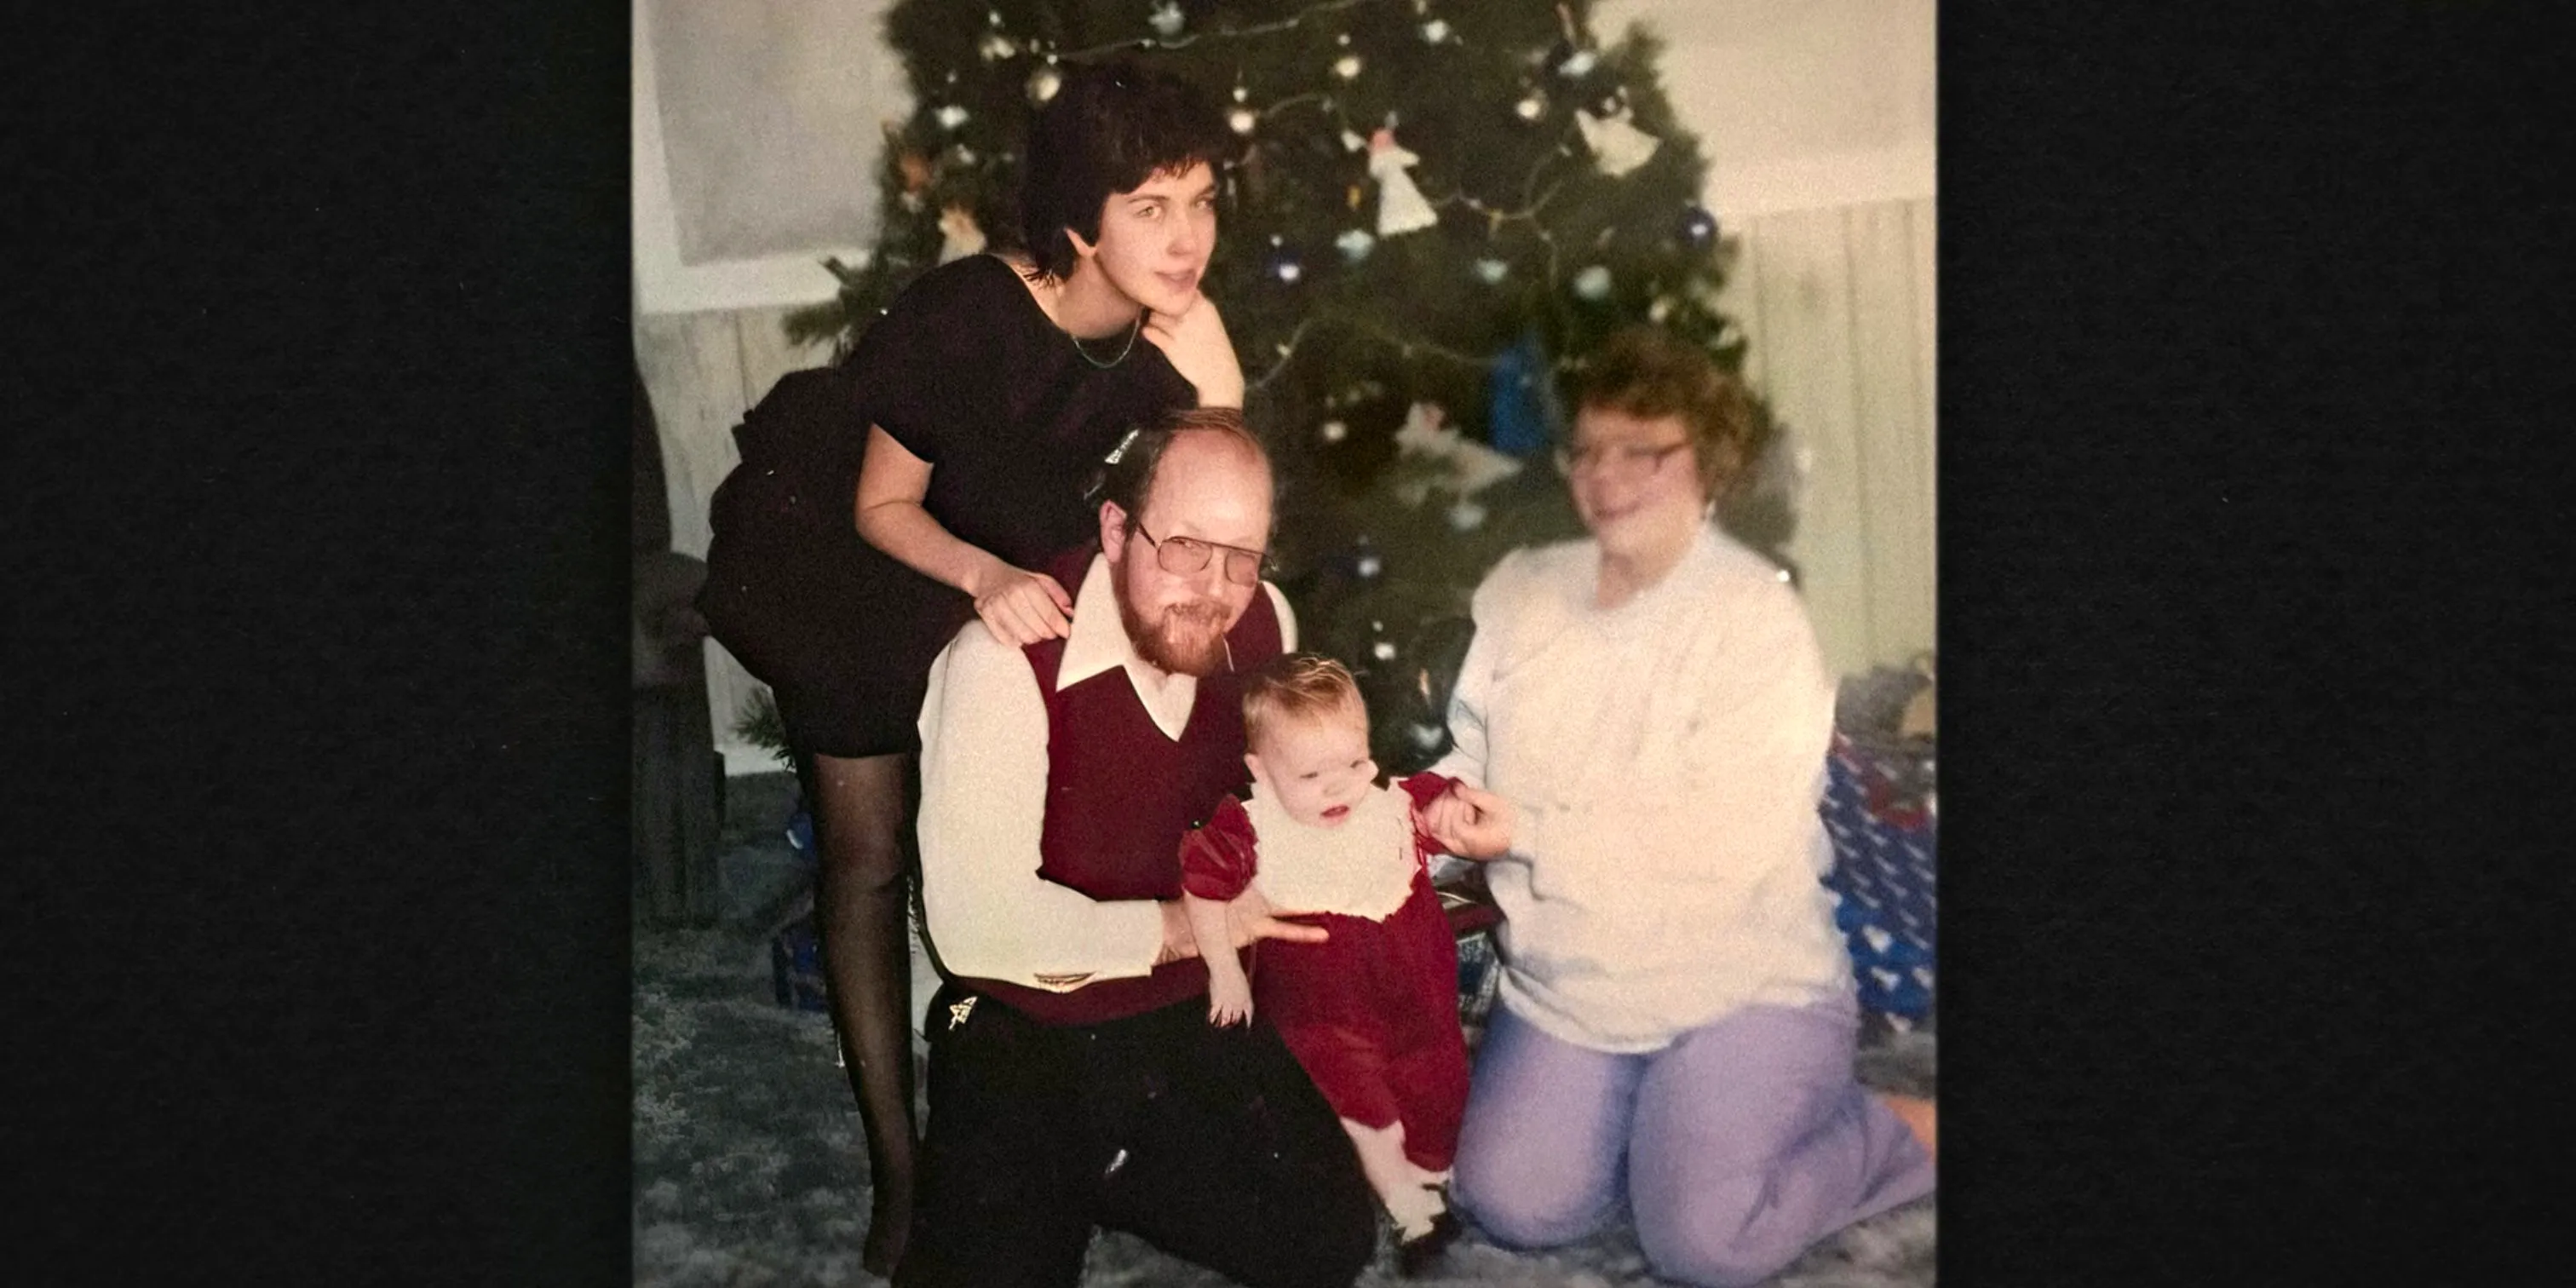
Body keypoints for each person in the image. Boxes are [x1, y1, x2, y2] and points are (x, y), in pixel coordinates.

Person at [747, 60, 1244, 1275]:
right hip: (867, 574)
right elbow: (879, 504)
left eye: (1201, 200)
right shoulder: (965, 315)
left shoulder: (1167, 323)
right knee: (869, 865)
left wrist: (1214, 363)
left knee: (999, 843)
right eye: (1150, 208)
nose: (1187, 239)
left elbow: (1219, 464)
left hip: (1005, 579)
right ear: (1078, 223)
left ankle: (1028, 1109)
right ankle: (899, 1171)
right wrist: (978, 578)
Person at [1423, 326, 1938, 1288]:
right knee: (1511, 1201)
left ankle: (1891, 1133)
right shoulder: (1522, 592)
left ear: (1709, 460)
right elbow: (1473, 749)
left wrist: (1526, 833)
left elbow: (1713, 849)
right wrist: (1426, 811)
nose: (1606, 476)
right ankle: (1670, 1125)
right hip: (1571, 988)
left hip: (1736, 984)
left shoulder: (1757, 623)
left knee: (1708, 1241)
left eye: (1642, 451)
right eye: (1589, 449)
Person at [900, 414, 1379, 1288]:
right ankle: (1073, 1168)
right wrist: (1189, 927)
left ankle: (1111, 1171)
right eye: (1189, 547)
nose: (1217, 590)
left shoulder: (1266, 622)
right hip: (1028, 1016)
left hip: (1194, 1008)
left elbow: (1289, 803)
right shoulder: (1003, 662)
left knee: (1328, 1239)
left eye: (1245, 556)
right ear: (1117, 530)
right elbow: (975, 932)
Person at [1177, 653, 1475, 1276]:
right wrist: (1225, 971)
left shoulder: (1394, 804)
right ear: (1260, 770)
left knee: (1438, 1094)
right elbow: (1200, 885)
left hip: (1422, 1002)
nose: (1340, 787)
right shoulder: (1253, 827)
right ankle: (1406, 1206)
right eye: (1312, 775)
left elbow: (1452, 808)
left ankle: (1430, 1180)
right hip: (1326, 1017)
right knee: (1366, 1112)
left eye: (1352, 762)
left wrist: (1455, 809)